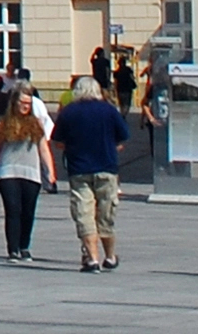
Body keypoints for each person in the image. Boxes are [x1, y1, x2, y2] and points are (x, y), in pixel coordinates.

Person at [54, 70, 130, 272]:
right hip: (106, 168)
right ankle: (111, 257)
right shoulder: (109, 110)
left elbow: (58, 142)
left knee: (84, 214)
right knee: (106, 215)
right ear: (97, 90)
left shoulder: (68, 112)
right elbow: (122, 138)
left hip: (79, 169)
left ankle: (93, 259)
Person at [0, 85, 53, 261]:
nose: (26, 106)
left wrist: (50, 172)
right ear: (14, 102)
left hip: (31, 173)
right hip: (7, 171)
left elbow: (44, 149)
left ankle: (25, 246)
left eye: (29, 103)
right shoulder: (3, 123)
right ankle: (13, 249)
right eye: (22, 102)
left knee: (28, 211)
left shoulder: (36, 123)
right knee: (12, 210)